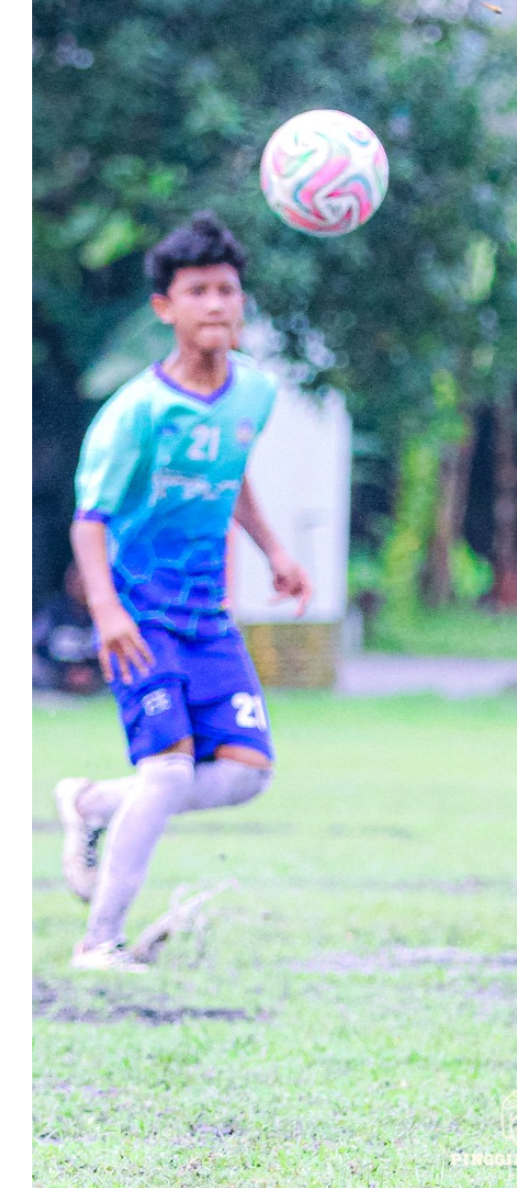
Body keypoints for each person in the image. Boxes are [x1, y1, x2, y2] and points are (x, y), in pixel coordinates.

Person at [55, 210, 312, 972]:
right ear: (165, 307)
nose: (216, 305)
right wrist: (105, 612)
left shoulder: (253, 396)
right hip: (139, 615)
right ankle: (98, 941)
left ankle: (94, 803)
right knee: (166, 772)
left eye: (227, 290)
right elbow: (89, 521)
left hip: (208, 615)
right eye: (197, 291)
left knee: (243, 775)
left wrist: (274, 552)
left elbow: (228, 477)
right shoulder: (136, 412)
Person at [32, 562, 105, 696]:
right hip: (53, 679)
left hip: (95, 682)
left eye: (84, 580)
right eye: (75, 579)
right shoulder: (53, 611)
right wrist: (61, 674)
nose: (79, 585)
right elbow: (33, 645)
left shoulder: (103, 615)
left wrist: (91, 673)